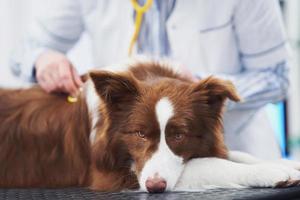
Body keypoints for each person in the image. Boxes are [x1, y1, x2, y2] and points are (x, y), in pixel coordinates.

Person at [10, 0, 289, 159]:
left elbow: (277, 76)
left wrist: (200, 92)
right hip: (136, 166)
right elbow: (24, 49)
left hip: (234, 154)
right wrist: (42, 60)